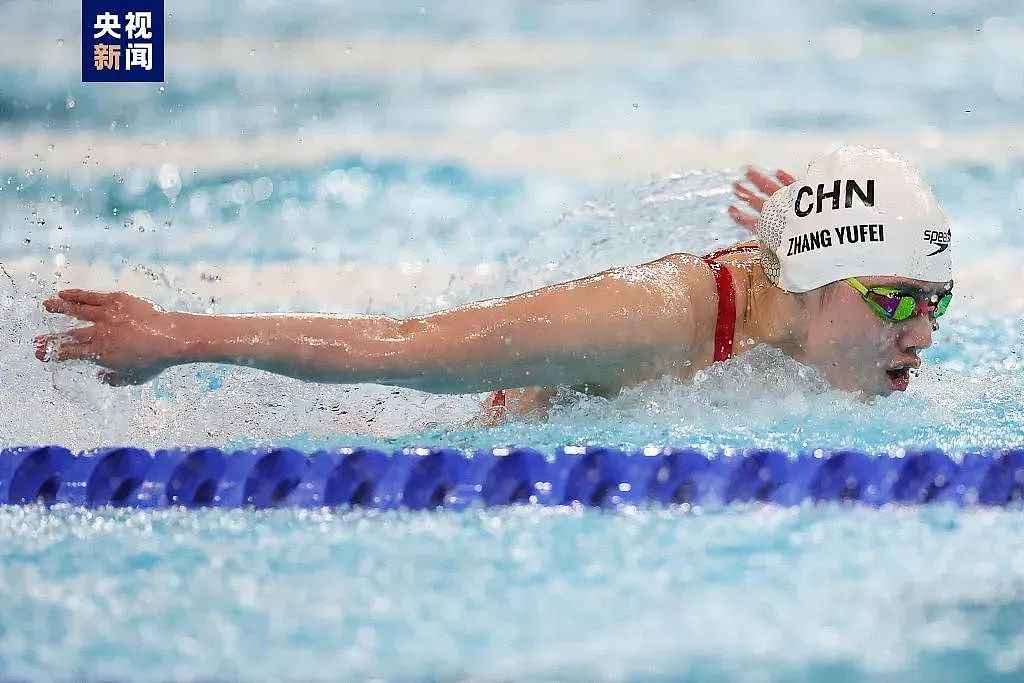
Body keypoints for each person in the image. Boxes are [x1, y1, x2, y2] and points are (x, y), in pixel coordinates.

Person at [33, 146, 953, 424]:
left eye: (933, 300)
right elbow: (407, 348)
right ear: (818, 279)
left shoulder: (809, 309)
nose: (921, 330)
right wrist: (178, 336)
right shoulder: (653, 317)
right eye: (895, 300)